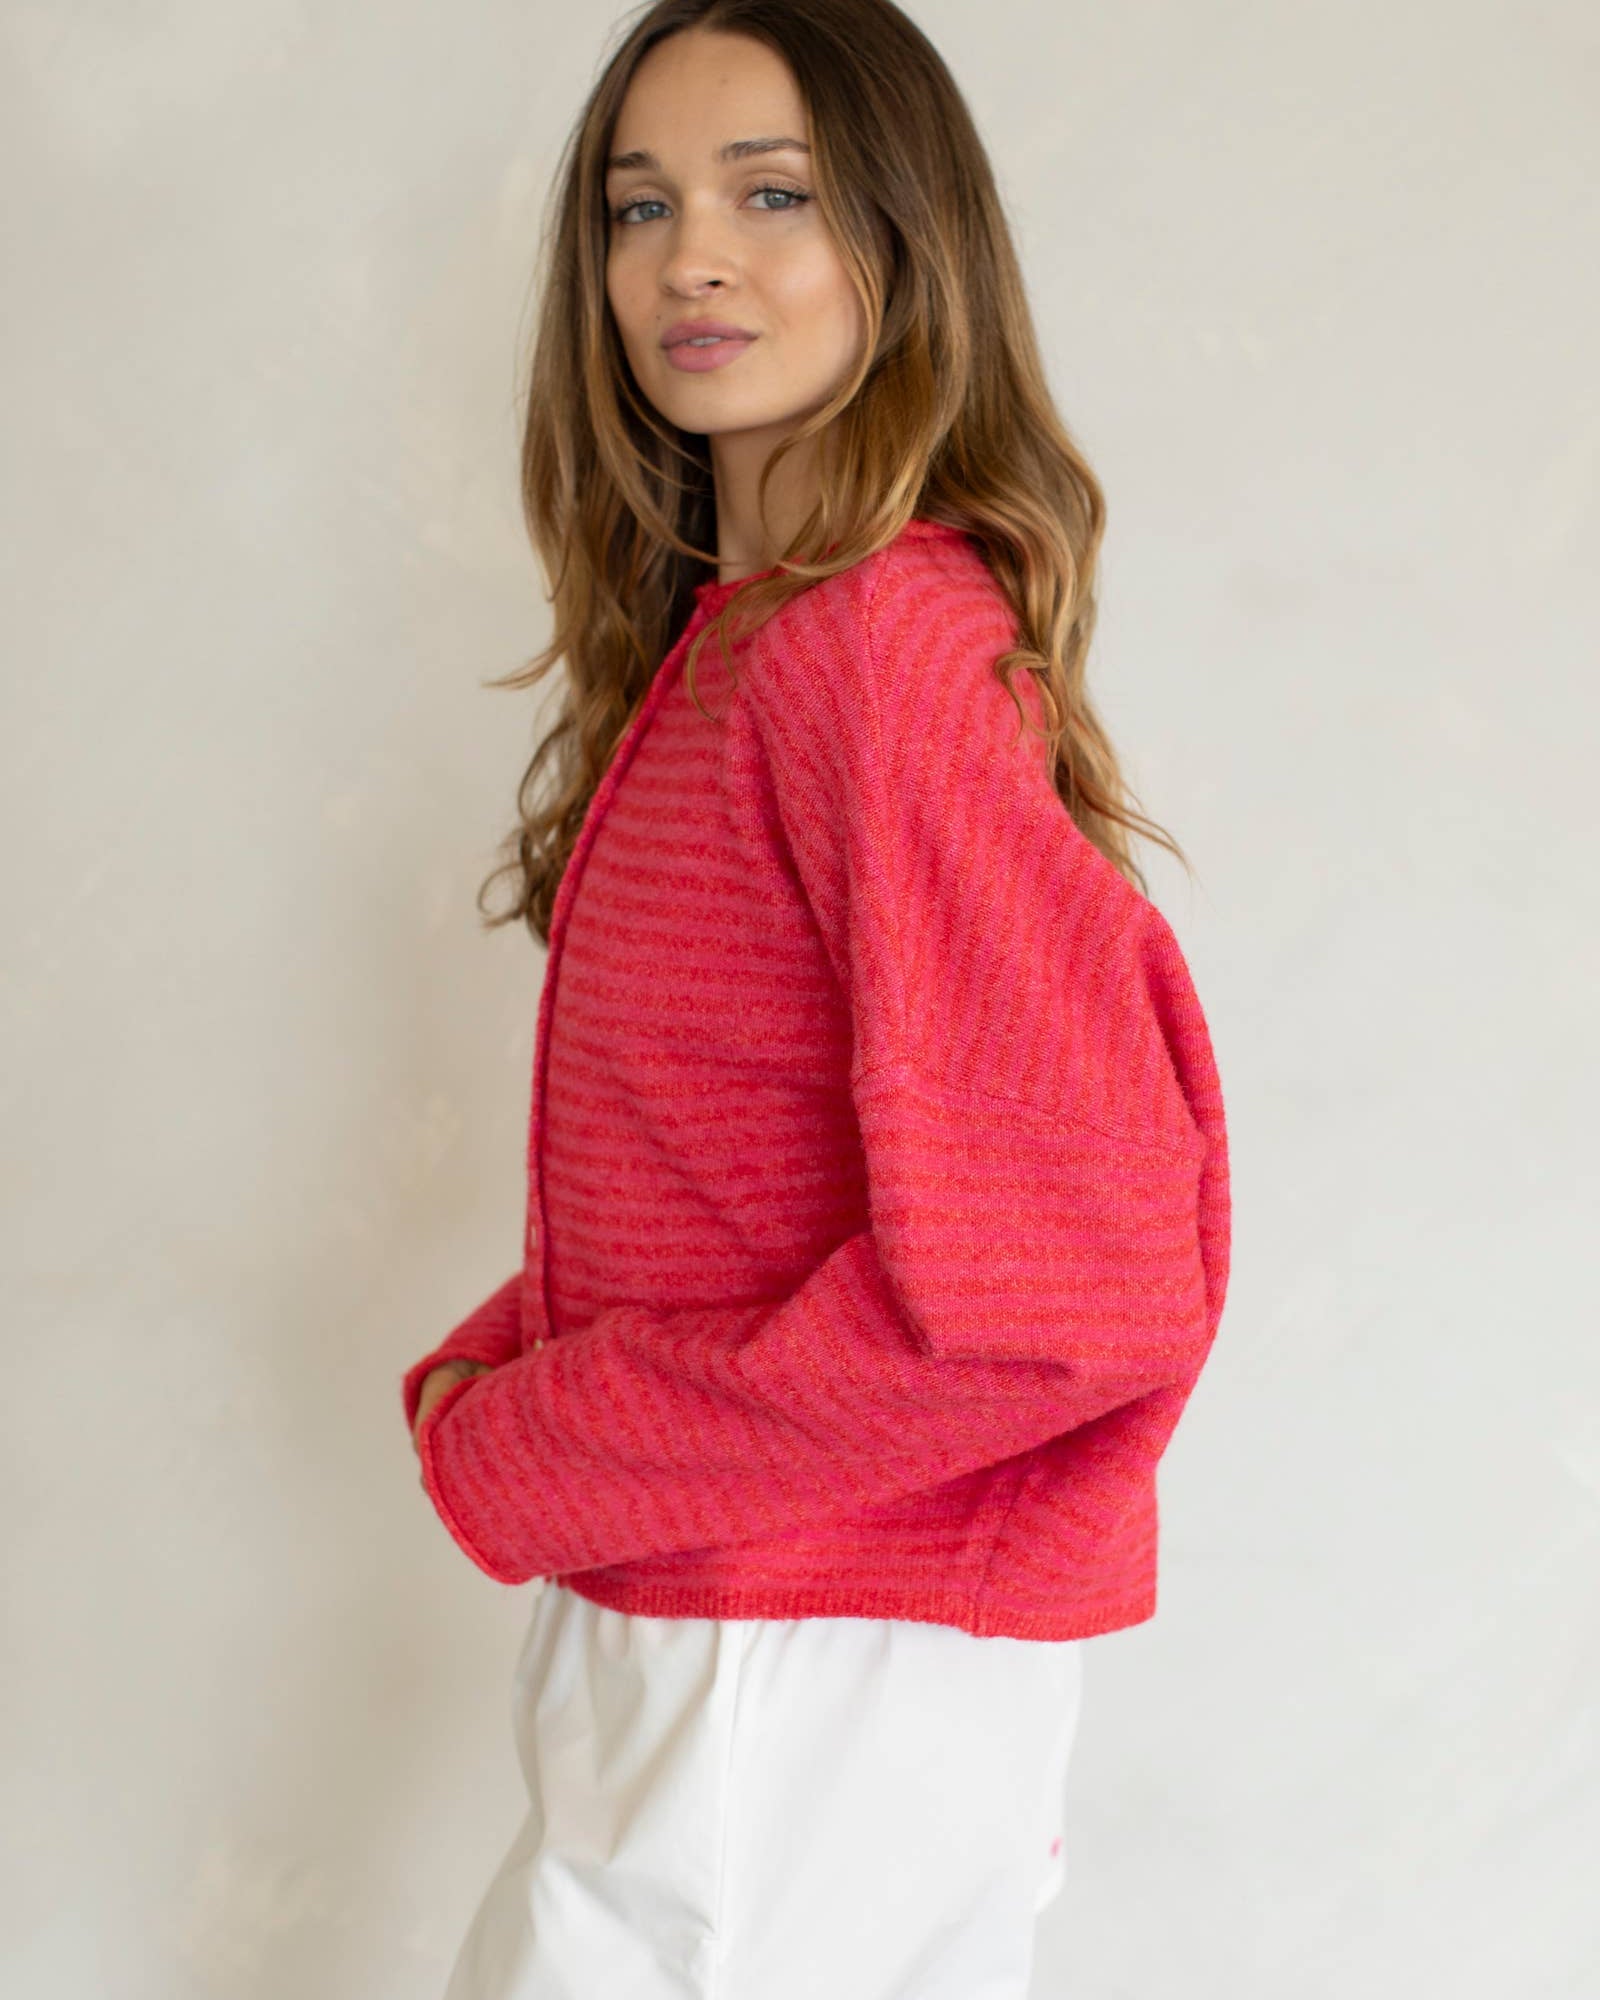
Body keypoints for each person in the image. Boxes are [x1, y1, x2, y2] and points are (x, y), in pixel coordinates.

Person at [400, 3, 1231, 1995]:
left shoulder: (872, 656)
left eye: (769, 195)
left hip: (805, 1669)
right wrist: (507, 1370)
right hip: (732, 1637)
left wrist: (542, 1434)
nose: (689, 256)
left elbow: (1059, 1289)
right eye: (640, 206)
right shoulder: (748, 643)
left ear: (903, 240)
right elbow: (722, 1189)